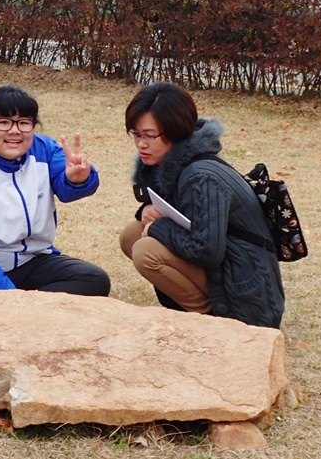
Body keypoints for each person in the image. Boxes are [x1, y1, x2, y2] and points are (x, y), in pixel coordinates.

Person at [119, 81, 284, 328]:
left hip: (250, 290)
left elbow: (206, 249)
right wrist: (146, 212)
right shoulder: (172, 161)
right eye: (136, 134)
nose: (141, 144)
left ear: (174, 130)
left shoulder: (201, 176)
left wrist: (156, 228)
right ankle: (200, 311)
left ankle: (212, 321)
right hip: (228, 260)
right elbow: (182, 214)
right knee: (132, 235)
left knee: (146, 251)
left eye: (149, 135)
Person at [0, 85, 111, 297]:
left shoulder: (44, 149)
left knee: (93, 280)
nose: (14, 131)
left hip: (30, 260)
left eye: (24, 123)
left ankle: (28, 312)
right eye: (3, 122)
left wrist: (78, 180)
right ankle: (26, 309)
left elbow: (67, 187)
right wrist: (10, 299)